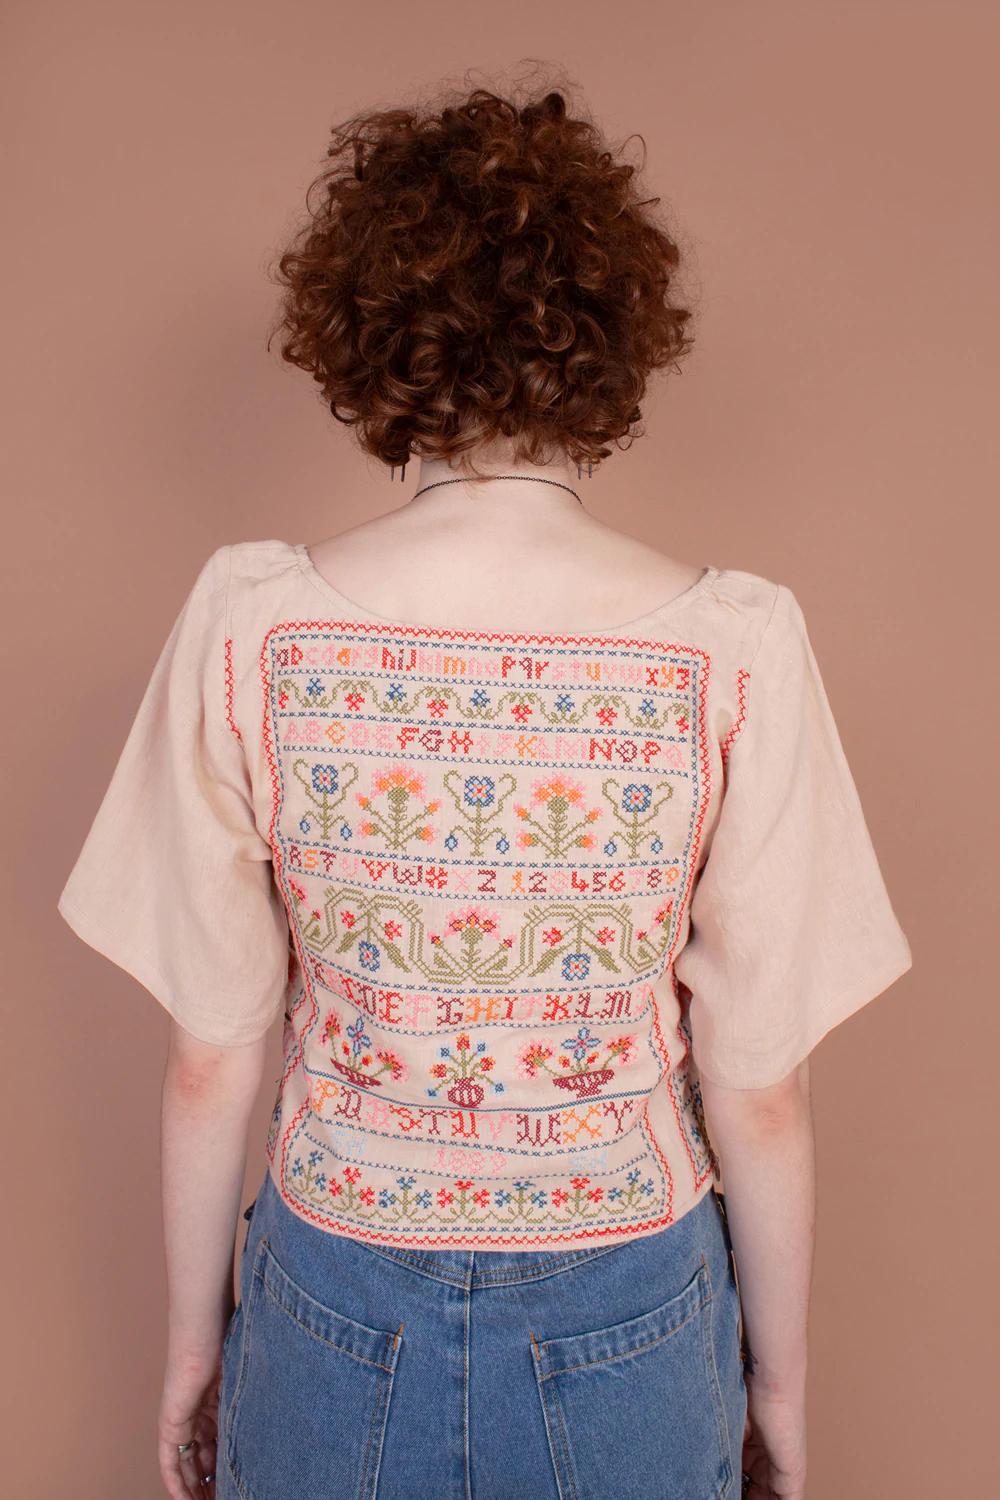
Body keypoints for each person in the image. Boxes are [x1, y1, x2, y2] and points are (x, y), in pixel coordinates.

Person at [57, 80, 912, 1500]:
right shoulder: (732, 647)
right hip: (632, 1306)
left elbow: (214, 1052)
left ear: (374, 335)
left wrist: (195, 1351)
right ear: (610, 336)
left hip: (332, 1300)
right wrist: (778, 1385)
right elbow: (759, 1087)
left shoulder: (256, 628)